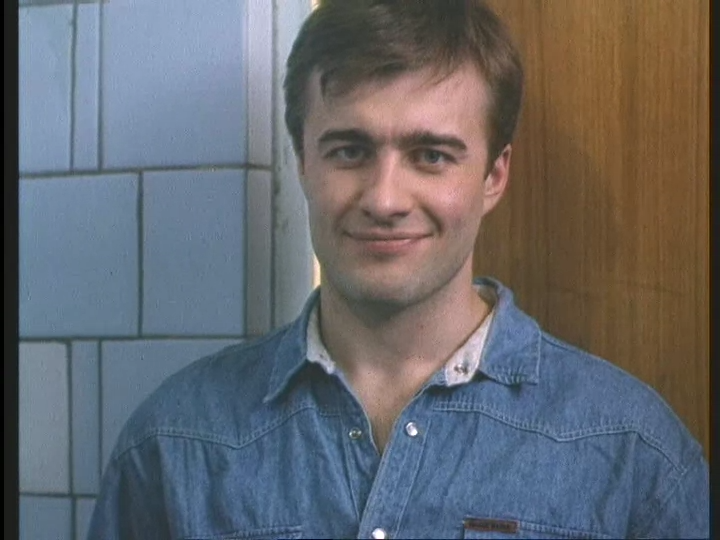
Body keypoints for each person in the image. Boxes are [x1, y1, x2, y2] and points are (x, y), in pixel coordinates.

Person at [87, 1, 709, 538]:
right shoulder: (174, 445)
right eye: (349, 150)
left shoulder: (632, 453)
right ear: (303, 162)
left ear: (494, 176)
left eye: (431, 155)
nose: (384, 199)